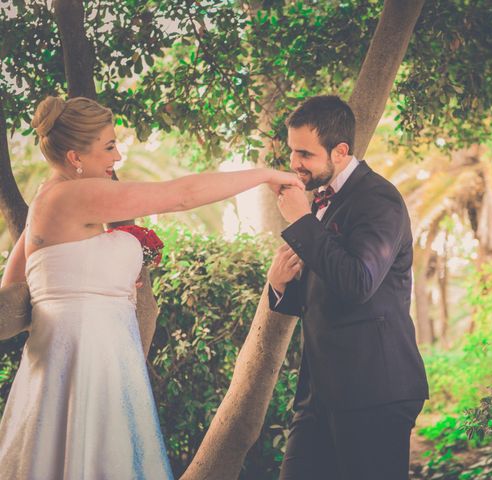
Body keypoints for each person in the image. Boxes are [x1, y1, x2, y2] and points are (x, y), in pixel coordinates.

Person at [0, 95, 303, 479]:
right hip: (88, 363)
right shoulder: (74, 194)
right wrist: (265, 175)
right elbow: (181, 196)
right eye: (109, 146)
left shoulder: (46, 199)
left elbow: (16, 288)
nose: (119, 156)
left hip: (68, 358)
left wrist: (96, 281)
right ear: (75, 157)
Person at [267, 95, 429, 480]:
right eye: (292, 151)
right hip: (318, 395)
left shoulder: (379, 200)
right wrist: (279, 287)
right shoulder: (321, 202)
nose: (294, 163)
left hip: (374, 389)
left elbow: (358, 283)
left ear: (340, 151)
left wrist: (301, 223)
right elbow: (323, 295)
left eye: (305, 153)